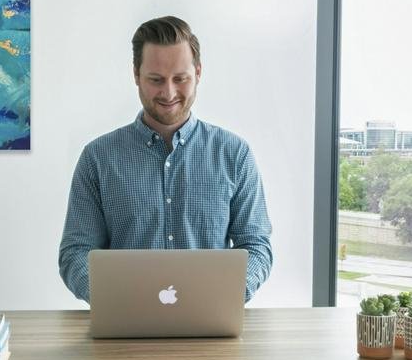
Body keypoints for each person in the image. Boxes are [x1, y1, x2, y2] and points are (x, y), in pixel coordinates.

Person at [59, 16, 273, 303]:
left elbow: (256, 245)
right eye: (156, 80)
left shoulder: (234, 154)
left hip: (211, 329)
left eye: (180, 79)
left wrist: (227, 295)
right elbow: (76, 252)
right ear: (136, 75)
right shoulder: (98, 158)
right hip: (124, 330)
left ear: (198, 72)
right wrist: (114, 300)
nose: (169, 92)